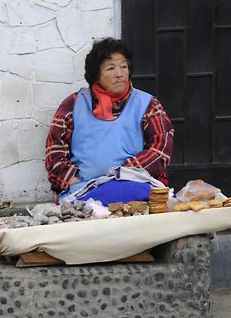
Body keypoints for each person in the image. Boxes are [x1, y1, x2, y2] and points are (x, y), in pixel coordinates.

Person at [44, 37, 174, 202]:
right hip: (84, 188)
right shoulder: (74, 104)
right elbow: (55, 148)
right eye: (111, 68)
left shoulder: (147, 104)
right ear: (96, 75)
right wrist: (70, 178)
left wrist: (123, 175)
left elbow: (160, 148)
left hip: (134, 184)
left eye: (123, 67)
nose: (119, 74)